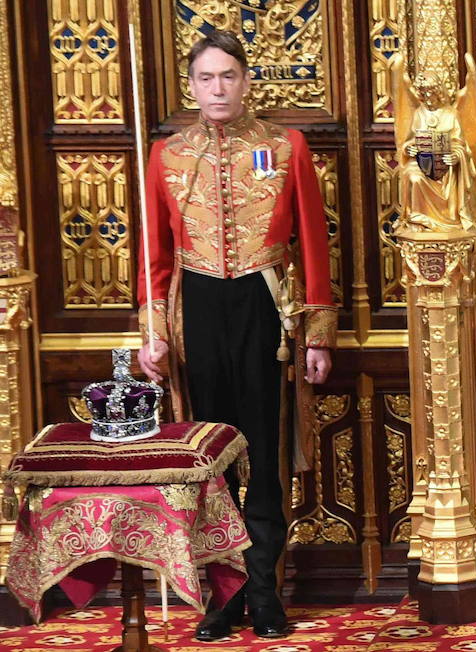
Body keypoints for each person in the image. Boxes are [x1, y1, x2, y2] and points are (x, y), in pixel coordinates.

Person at [135, 30, 337, 641]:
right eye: (206, 78)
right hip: (195, 309)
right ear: (191, 86)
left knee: (266, 455)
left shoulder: (284, 145)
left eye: (228, 76)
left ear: (246, 81)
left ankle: (266, 592)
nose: (217, 88)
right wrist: (153, 334)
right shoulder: (168, 155)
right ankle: (223, 598)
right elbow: (154, 254)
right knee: (209, 458)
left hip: (265, 306)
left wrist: (319, 334)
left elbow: (313, 242)